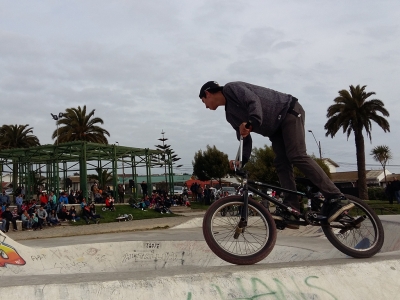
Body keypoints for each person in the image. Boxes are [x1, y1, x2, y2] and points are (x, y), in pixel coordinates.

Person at [198, 80, 355, 228]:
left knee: (296, 155)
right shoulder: (230, 115)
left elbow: (253, 101)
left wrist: (251, 122)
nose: (205, 107)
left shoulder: (232, 88)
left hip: (288, 112)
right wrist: (242, 160)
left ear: (208, 93)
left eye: (203, 101)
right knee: (281, 163)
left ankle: (335, 196)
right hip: (275, 131)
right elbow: (244, 138)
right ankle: (292, 209)